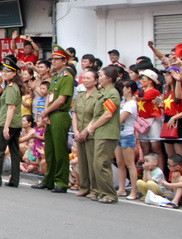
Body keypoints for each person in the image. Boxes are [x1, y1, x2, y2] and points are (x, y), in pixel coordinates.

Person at [77, 66, 122, 203]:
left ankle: (109, 194)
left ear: (109, 78)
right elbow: (97, 115)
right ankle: (103, 192)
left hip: (107, 132)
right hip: (100, 132)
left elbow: (108, 114)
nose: (100, 77)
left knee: (101, 163)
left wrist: (92, 127)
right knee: (97, 163)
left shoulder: (112, 93)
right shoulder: (104, 93)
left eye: (101, 75)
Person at [32, 46, 74, 193]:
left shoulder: (66, 77)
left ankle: (61, 182)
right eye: (53, 59)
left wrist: (46, 112)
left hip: (60, 114)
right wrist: (46, 114)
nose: (54, 61)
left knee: (60, 151)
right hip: (50, 115)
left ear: (64, 61)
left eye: (57, 59)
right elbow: (50, 98)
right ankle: (48, 180)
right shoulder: (55, 77)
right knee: (49, 150)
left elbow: (61, 100)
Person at [0, 55, 24, 187]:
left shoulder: (12, 87)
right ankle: (14, 180)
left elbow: (11, 108)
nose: (5, 73)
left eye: (8, 71)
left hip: (7, 122)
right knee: (14, 151)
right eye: (4, 71)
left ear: (14, 73)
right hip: (15, 123)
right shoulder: (11, 86)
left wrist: (6, 126)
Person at [71, 69, 99, 198]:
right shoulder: (81, 95)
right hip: (79, 131)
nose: (86, 80)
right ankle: (84, 186)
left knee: (92, 160)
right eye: (84, 78)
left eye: (89, 78)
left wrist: (86, 130)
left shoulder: (99, 96)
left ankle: (95, 188)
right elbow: (75, 113)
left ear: (96, 80)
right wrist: (76, 130)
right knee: (82, 161)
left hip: (91, 132)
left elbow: (96, 116)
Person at [115, 80, 139, 200]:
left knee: (130, 164)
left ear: (129, 89)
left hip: (127, 134)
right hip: (119, 134)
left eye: (124, 88)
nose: (123, 90)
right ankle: (121, 188)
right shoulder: (123, 102)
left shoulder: (131, 104)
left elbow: (121, 119)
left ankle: (134, 191)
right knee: (120, 163)